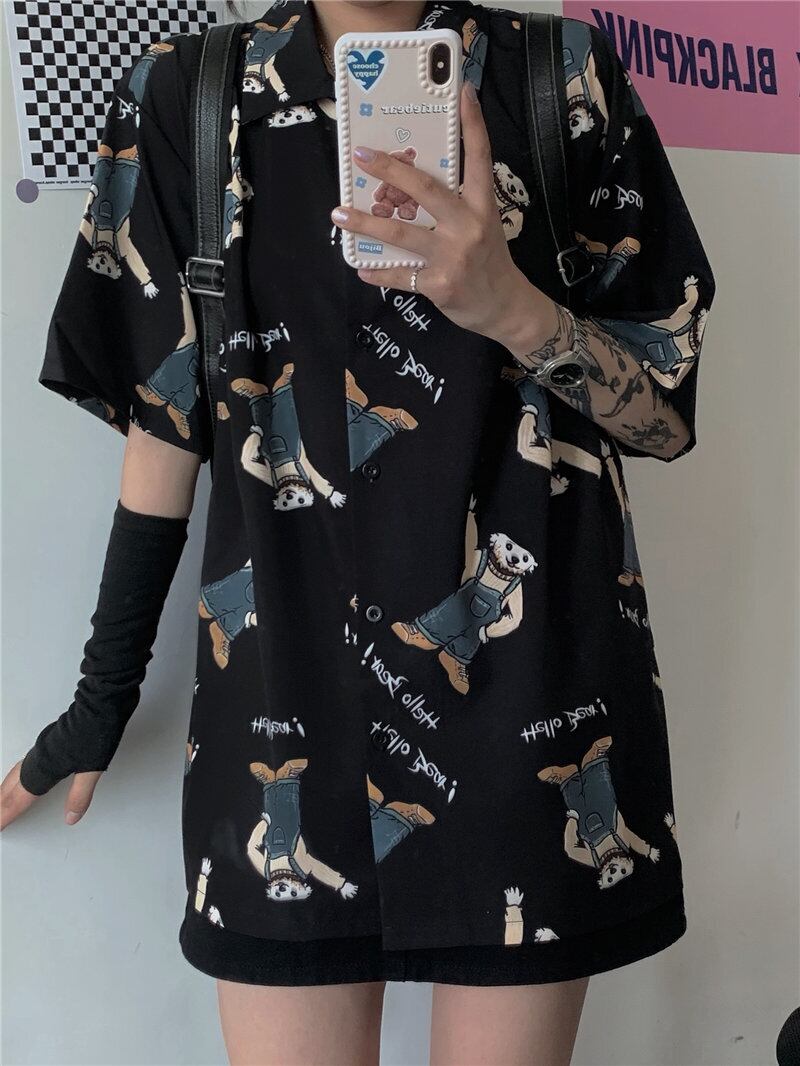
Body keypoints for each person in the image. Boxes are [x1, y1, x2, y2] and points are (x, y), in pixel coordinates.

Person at [1, 2, 716, 1064]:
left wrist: (510, 305)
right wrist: (99, 704)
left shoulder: (558, 76)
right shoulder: (189, 96)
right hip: (280, 709)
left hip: (529, 713)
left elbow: (661, 415)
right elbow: (165, 425)